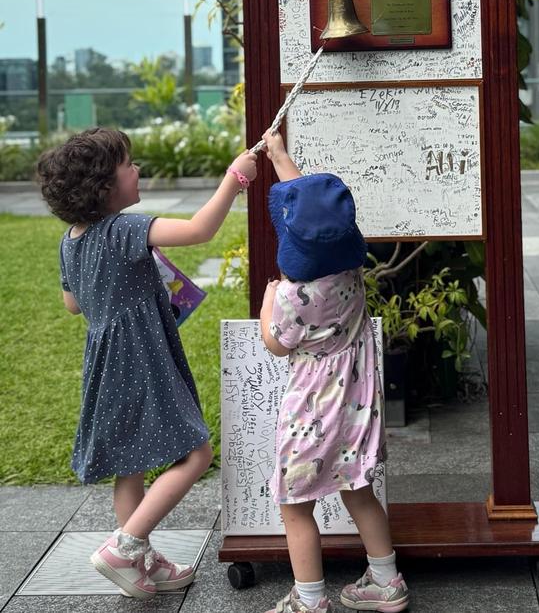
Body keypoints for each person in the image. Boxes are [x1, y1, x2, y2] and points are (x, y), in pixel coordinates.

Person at [36, 127, 257, 600]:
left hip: (105, 362)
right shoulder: (126, 229)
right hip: (142, 358)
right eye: (129, 165)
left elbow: (72, 305)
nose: (138, 170)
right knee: (196, 454)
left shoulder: (70, 241)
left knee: (128, 465)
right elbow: (199, 230)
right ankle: (124, 546)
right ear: (104, 187)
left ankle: (141, 560)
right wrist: (234, 178)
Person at [259, 129, 409, 613]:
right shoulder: (349, 272)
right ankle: (386, 582)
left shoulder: (292, 298)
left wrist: (266, 302)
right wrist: (281, 155)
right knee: (359, 491)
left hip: (311, 412)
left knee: (295, 507)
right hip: (356, 407)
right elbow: (316, 219)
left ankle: (309, 601)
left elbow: (276, 344)